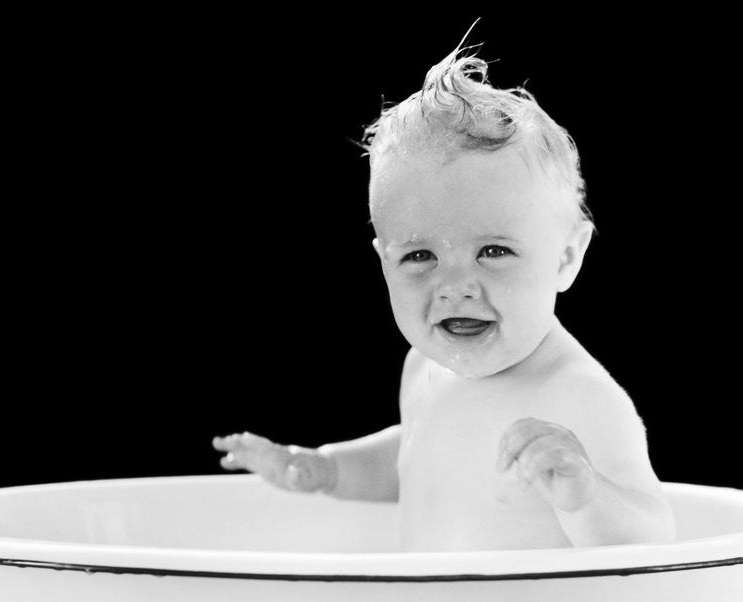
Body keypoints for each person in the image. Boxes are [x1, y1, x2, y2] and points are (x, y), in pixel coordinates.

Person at [213, 38, 675, 551]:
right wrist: (324, 468)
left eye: (494, 251)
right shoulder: (425, 367)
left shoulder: (580, 397)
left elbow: (653, 535)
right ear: (384, 260)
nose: (454, 287)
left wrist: (586, 495)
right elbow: (415, 457)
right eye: (420, 257)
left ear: (567, 257)